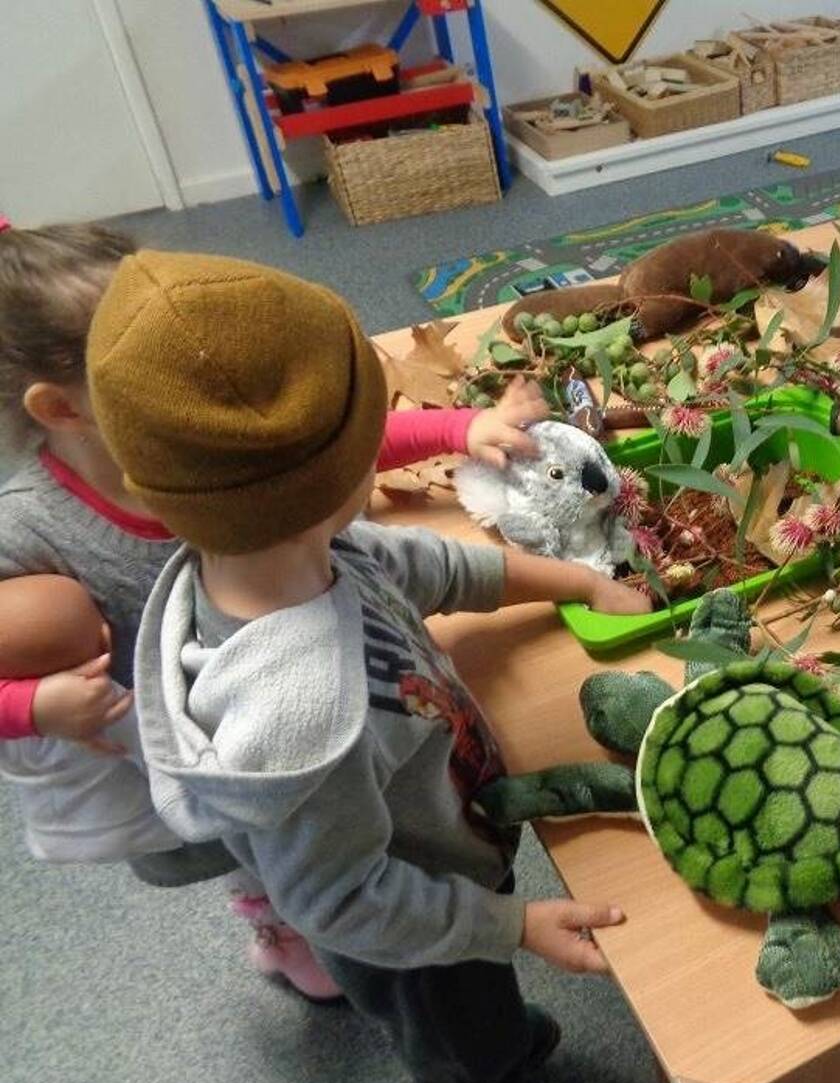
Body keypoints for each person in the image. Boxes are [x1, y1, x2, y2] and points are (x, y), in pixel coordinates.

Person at [88, 249, 646, 1083]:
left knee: (482, 1020)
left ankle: (499, 1041)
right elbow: (344, 902)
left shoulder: (288, 549)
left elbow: (433, 566)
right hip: (407, 916)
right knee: (459, 1057)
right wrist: (507, 923)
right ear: (349, 470)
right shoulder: (298, 715)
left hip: (432, 852)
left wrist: (581, 583)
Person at [0, 222, 547, 1001]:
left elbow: (318, 451)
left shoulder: (203, 440)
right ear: (61, 407)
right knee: (274, 861)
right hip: (189, 758)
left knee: (313, 842)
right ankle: (277, 924)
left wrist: (460, 426)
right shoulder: (29, 529)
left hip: (296, 726)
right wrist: (32, 704)